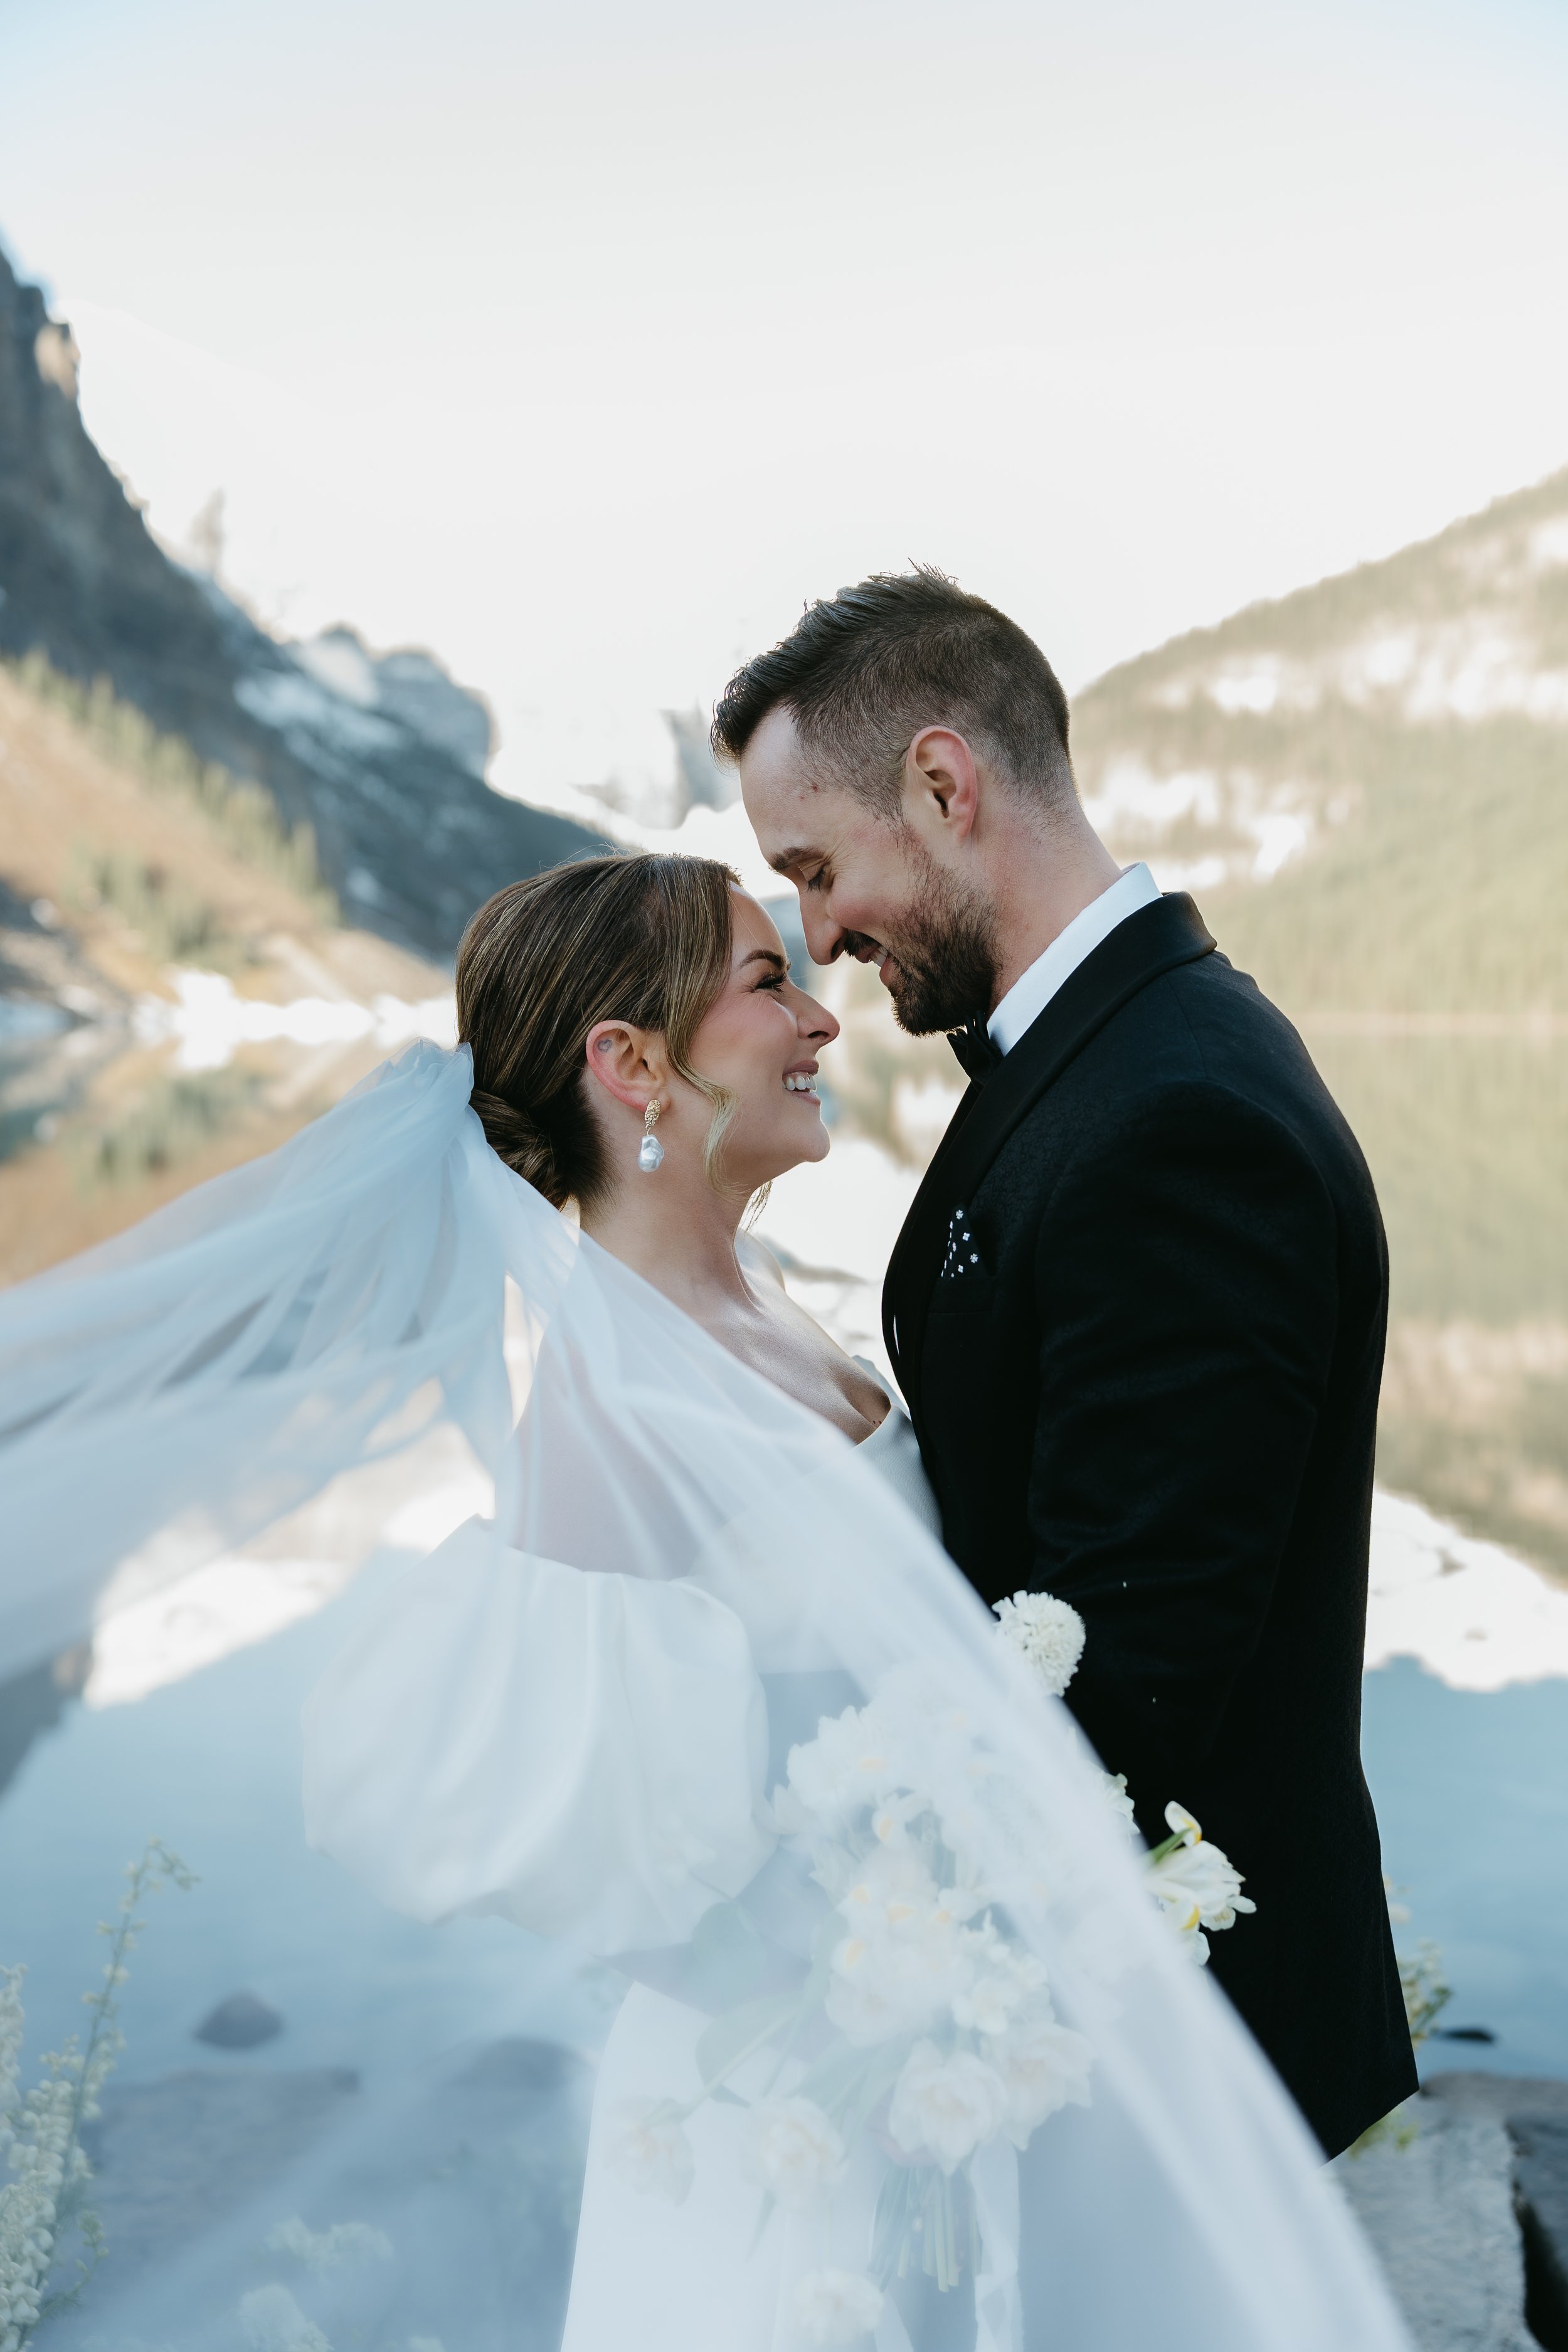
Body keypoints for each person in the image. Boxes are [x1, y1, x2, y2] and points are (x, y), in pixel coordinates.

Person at [0, 850, 1411, 2351]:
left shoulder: (764, 1315)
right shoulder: (611, 1412)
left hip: (909, 2069)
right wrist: (882, 1981)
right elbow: (581, 1849)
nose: (819, 1020)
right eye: (763, 984)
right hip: (794, 2113)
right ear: (632, 1066)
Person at [718, 567, 1417, 2161]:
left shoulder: (1179, 1119)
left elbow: (1127, 1673)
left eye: (818, 870)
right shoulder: (1120, 1052)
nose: (818, 935)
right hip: (1087, 2015)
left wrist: (840, 1928)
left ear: (943, 786)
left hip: (1173, 2059)